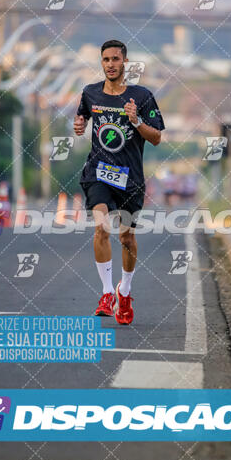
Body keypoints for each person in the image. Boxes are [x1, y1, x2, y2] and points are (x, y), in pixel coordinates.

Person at [74, 40, 165, 324]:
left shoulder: (142, 95)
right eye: (105, 60)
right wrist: (78, 127)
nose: (110, 64)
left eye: (115, 59)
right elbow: (81, 120)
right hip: (98, 172)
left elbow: (157, 137)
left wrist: (136, 121)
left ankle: (124, 292)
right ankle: (106, 293)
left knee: (126, 237)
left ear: (124, 62)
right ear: (101, 63)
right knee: (101, 228)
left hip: (131, 177)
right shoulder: (90, 93)